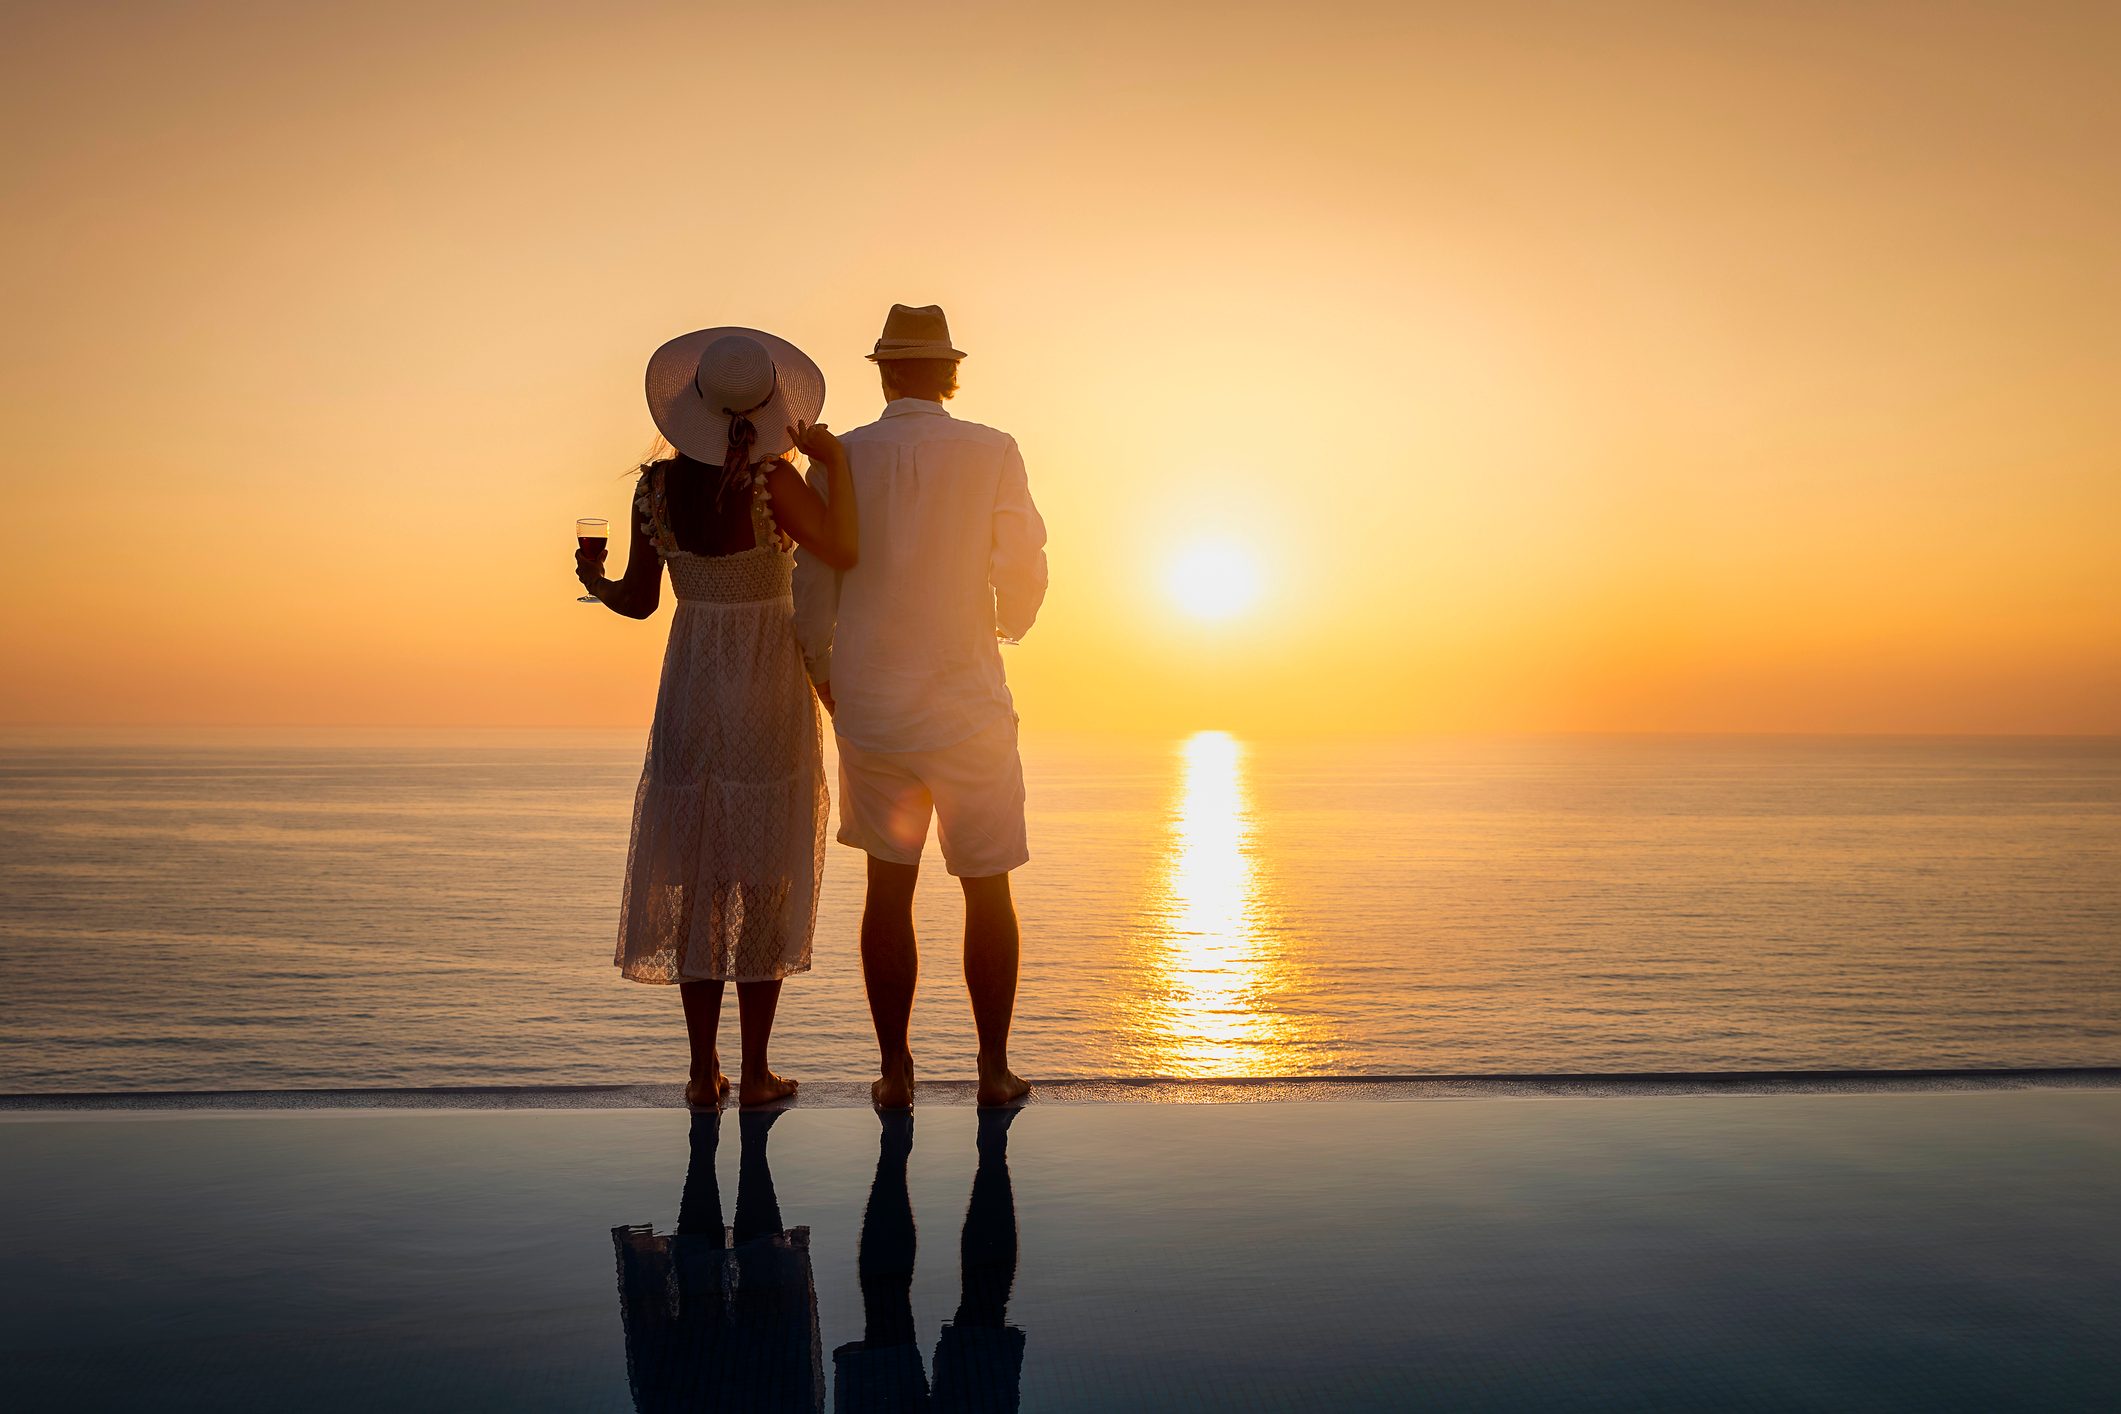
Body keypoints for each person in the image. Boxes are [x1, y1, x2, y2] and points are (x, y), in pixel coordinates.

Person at [579, 326, 855, 1109]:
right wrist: (833, 465)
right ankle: (758, 1069)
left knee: (696, 876)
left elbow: (637, 603)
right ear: (769, 407)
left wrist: (594, 581)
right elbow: (842, 547)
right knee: (763, 875)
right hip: (767, 681)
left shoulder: (655, 491)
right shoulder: (777, 483)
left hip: (693, 685)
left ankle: (703, 1075)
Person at [793, 304, 1048, 1109]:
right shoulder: (993, 451)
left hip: (874, 700)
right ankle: (992, 1069)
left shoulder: (844, 455)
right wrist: (1005, 626)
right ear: (948, 372)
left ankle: (896, 1071)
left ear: (882, 371)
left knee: (887, 888)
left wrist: (823, 667)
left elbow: (813, 575)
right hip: (967, 702)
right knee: (988, 887)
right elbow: (1024, 560)